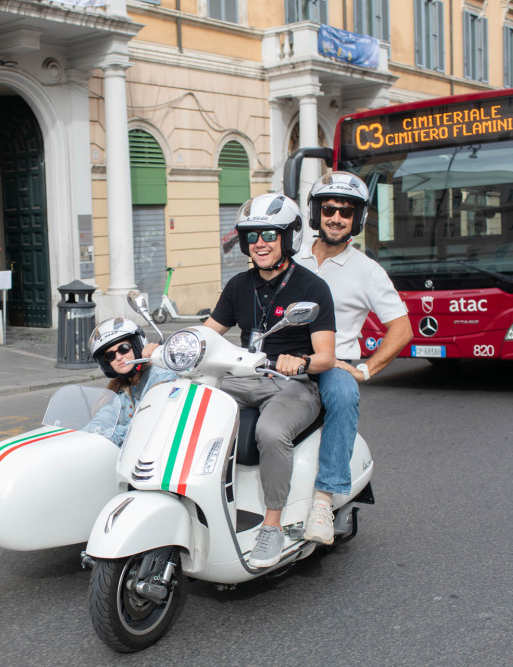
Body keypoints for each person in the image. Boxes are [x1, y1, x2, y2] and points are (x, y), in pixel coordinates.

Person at [203, 193, 337, 568]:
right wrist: (171, 348)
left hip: (293, 384)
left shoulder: (311, 288)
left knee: (271, 431)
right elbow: (210, 332)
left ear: (288, 238)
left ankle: (272, 526)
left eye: (268, 233)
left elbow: (326, 356)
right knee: (188, 404)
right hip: (245, 376)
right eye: (252, 235)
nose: (259, 242)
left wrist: (302, 361)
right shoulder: (238, 286)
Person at [295, 171, 412, 545]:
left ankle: (323, 500)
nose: (336, 217)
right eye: (328, 208)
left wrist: (364, 369)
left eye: (346, 212)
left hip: (333, 364)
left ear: (357, 220)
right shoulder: (291, 257)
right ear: (316, 212)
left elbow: (402, 328)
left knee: (344, 395)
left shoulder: (367, 271)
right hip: (282, 360)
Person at [84, 318, 176, 446]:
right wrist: (82, 437)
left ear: (137, 347)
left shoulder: (161, 378)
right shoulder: (118, 388)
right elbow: (102, 419)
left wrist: (109, 435)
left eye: (124, 348)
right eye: (110, 356)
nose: (118, 357)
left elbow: (147, 425)